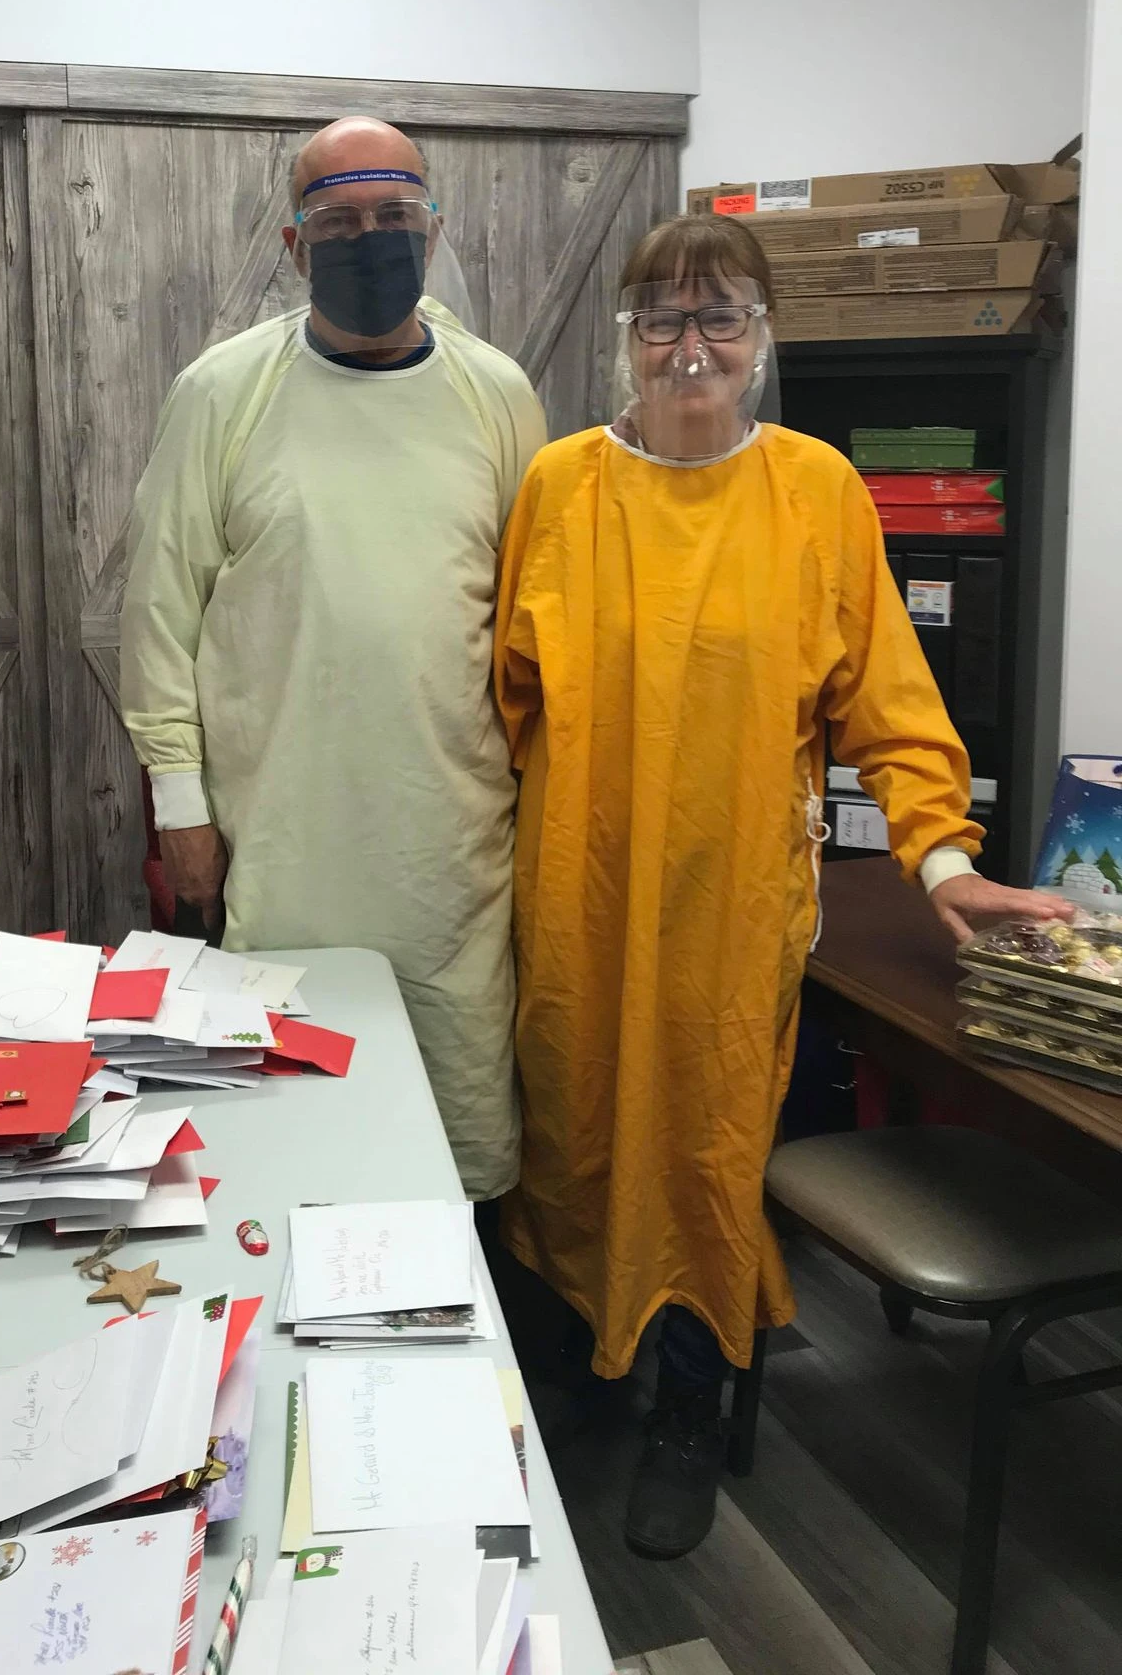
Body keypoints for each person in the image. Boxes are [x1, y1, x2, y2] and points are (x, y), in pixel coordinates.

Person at [492, 214, 1072, 1560]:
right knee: (573, 1126)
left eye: (721, 316)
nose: (689, 346)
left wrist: (942, 858)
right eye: (662, 317)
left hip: (733, 904)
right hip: (578, 893)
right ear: (626, 338)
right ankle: (580, 1375)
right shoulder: (561, 487)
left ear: (762, 339)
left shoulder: (817, 491)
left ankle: (689, 1405)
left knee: (707, 1145)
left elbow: (890, 702)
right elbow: (506, 703)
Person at [121, 116, 546, 1200]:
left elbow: (535, 621)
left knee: (452, 1132)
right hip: (280, 837)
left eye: (394, 214)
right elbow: (160, 610)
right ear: (294, 244)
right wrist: (181, 809)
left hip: (451, 851)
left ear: (433, 227)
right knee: (292, 1130)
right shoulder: (223, 393)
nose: (370, 238)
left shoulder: (497, 394)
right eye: (338, 219)